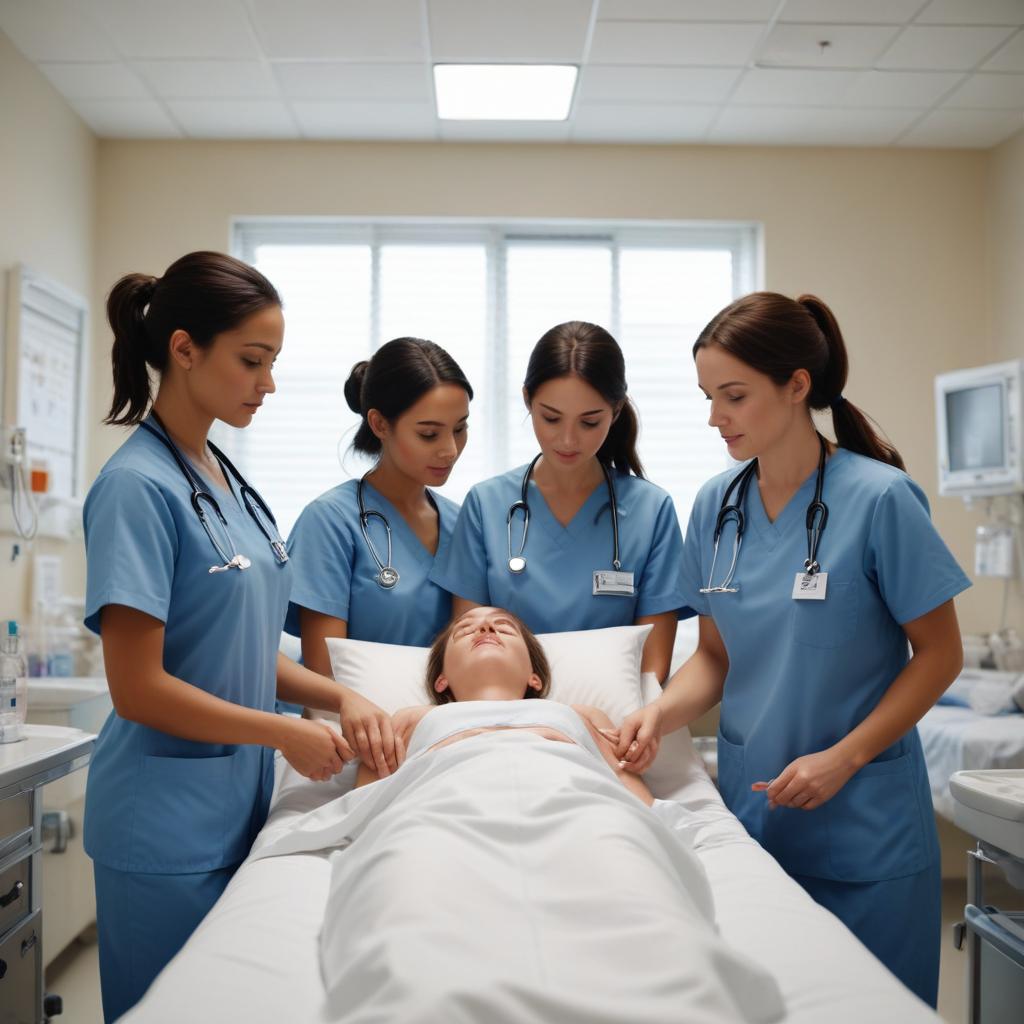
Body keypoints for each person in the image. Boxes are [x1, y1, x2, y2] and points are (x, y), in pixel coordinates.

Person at [615, 291, 968, 1006]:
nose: (715, 416)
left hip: (865, 832)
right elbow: (714, 657)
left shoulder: (880, 500)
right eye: (709, 395)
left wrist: (848, 756)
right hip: (758, 825)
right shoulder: (716, 506)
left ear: (796, 385)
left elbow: (939, 656)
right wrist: (659, 713)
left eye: (734, 396)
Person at [83, 251, 353, 1022]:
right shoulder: (137, 487)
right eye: (252, 361)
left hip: (233, 811)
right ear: (183, 347)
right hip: (161, 827)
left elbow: (239, 647)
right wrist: (282, 735)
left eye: (271, 363)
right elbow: (138, 688)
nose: (267, 383)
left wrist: (342, 697)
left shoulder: (226, 480)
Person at [430, 321, 687, 681]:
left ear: (615, 412)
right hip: (508, 715)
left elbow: (651, 670)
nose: (567, 440)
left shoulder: (651, 511)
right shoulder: (486, 505)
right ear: (527, 401)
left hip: (614, 718)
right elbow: (467, 650)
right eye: (551, 418)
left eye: (589, 422)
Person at [285, 337, 472, 776]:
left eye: (460, 428)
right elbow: (325, 677)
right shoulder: (331, 522)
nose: (449, 449)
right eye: (429, 433)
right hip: (358, 746)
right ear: (380, 424)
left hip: (446, 736)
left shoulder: (463, 523)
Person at [356, 605, 651, 806]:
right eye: (465, 629)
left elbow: (637, 803)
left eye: (504, 628)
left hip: (576, 808)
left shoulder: (583, 715)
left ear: (534, 677)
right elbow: (365, 805)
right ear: (441, 680)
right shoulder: (411, 719)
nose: (485, 626)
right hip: (441, 813)